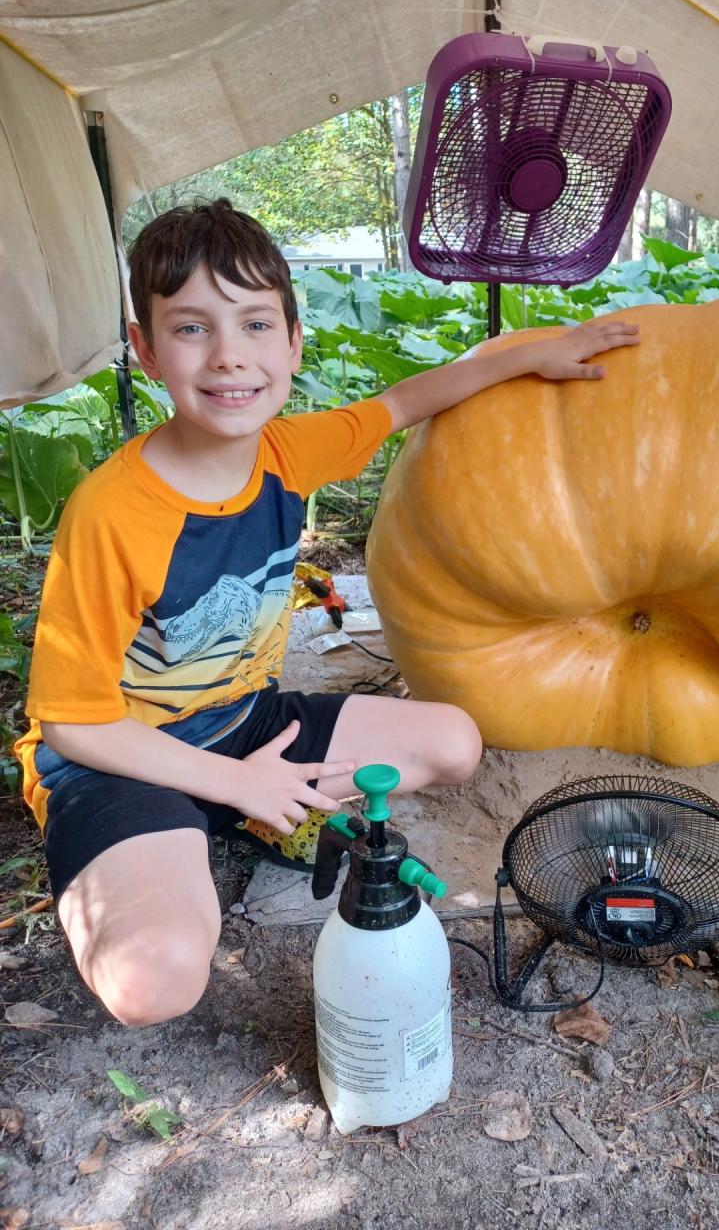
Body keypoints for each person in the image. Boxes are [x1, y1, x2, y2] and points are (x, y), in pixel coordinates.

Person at [13, 199, 640, 1028]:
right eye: (192, 328)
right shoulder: (112, 514)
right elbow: (72, 725)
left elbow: (409, 399)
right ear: (146, 349)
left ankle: (247, 814)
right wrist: (234, 781)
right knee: (152, 985)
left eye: (256, 324)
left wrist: (536, 353)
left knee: (453, 742)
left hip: (247, 724)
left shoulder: (289, 452)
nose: (230, 356)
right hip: (122, 763)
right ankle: (201, 828)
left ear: (294, 340)